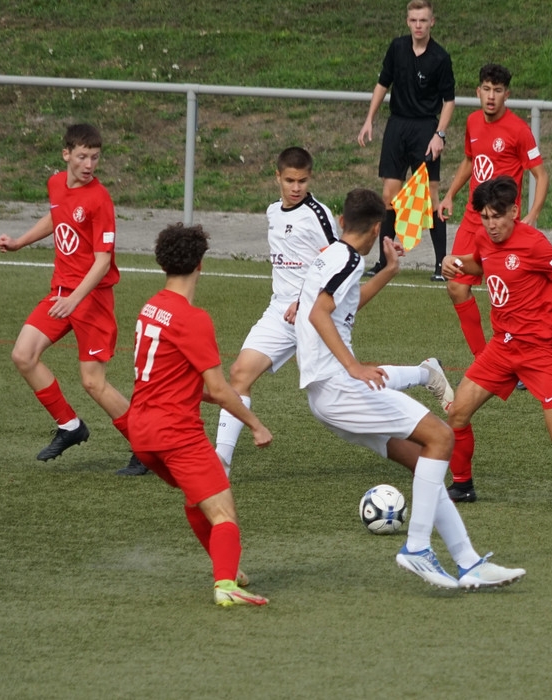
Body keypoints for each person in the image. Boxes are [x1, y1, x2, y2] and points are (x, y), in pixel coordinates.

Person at [295, 187, 522, 590]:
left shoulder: (330, 255)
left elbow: (339, 306)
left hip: (326, 396)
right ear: (377, 229)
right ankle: (417, 547)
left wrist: (388, 270)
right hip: (339, 388)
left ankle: (468, 562)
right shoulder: (349, 259)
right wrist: (353, 366)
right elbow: (318, 313)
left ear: (342, 222)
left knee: (424, 463)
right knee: (442, 436)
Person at [441, 177, 552, 503]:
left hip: (538, 351)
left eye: (498, 216)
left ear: (514, 211)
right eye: (485, 217)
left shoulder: (534, 243)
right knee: (457, 414)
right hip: (501, 347)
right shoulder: (483, 237)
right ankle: (463, 485)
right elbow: (479, 263)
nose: (491, 225)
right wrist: (453, 262)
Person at [129, 223, 272, 607]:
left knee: (198, 501)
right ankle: (226, 586)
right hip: (175, 434)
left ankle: (227, 568)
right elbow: (221, 389)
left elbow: (176, 380)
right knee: (223, 513)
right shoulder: (193, 319)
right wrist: (256, 425)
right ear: (201, 264)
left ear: (163, 263)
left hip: (141, 432)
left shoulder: (150, 308)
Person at [0, 123, 145, 476]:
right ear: (66, 154)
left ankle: (145, 447)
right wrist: (19, 242)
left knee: (93, 382)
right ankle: (70, 426)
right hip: (61, 293)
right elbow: (56, 215)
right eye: (82, 156)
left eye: (95, 157)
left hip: (91, 299)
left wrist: (76, 299)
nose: (89, 164)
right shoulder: (55, 184)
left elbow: (103, 261)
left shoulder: (100, 199)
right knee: (23, 355)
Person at [213, 147, 338, 477]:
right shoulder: (272, 212)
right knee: (240, 373)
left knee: (342, 392)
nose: (296, 188)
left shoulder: (317, 214)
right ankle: (220, 463)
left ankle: (422, 374)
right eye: (290, 180)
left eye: (303, 181)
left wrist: (305, 299)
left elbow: (338, 264)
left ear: (310, 178)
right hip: (279, 312)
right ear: (277, 177)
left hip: (314, 313)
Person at [438, 63, 548, 359]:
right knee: (456, 286)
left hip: (503, 227)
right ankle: (484, 360)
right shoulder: (473, 121)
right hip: (472, 221)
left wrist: (532, 215)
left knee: (508, 296)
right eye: (486, 89)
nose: (491, 96)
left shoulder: (519, 130)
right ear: (478, 91)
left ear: (506, 95)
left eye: (497, 90)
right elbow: (470, 160)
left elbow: (541, 175)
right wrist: (450, 194)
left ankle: (522, 359)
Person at [357, 0, 454, 280]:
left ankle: (441, 265)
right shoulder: (397, 47)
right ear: (407, 21)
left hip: (425, 129)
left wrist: (439, 135)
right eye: (413, 20)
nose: (418, 25)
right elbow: (382, 84)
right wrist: (369, 119)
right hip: (397, 126)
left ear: (432, 22)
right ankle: (384, 260)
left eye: (423, 20)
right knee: (389, 195)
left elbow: (449, 101)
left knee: (430, 197)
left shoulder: (440, 57)